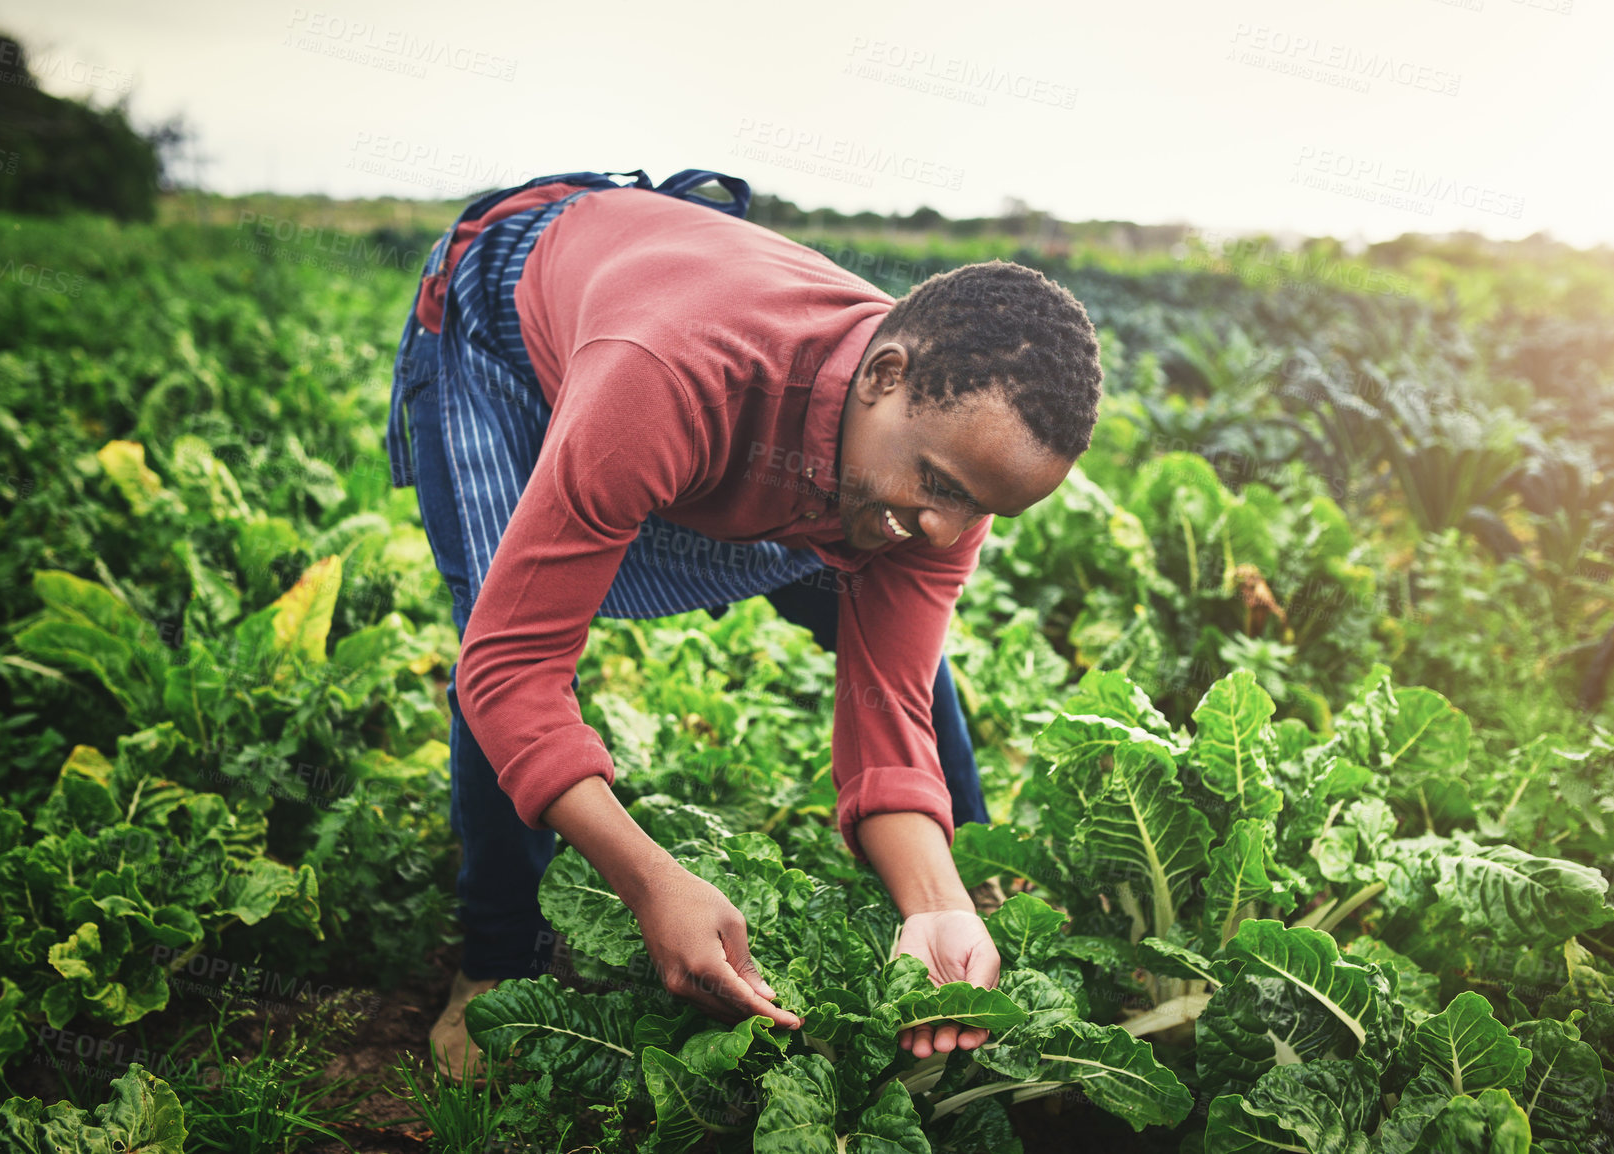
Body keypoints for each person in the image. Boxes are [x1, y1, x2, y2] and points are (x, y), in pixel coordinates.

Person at [387, 169, 1103, 1084]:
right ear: (883, 378)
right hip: (509, 333)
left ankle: (967, 896)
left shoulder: (937, 457)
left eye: (985, 513)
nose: (948, 534)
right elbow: (509, 672)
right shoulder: (667, 381)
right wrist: (650, 880)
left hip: (747, 403)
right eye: (941, 488)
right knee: (503, 618)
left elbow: (889, 697)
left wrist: (934, 901)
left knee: (906, 654)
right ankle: (494, 955)